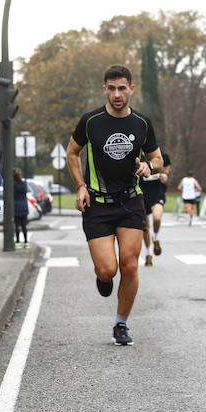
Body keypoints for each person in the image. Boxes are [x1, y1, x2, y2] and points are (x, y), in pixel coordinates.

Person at [66, 65, 161, 347]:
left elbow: (157, 159)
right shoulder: (91, 121)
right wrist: (81, 186)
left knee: (129, 266)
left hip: (131, 201)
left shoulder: (142, 123)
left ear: (132, 89)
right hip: (97, 203)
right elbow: (73, 152)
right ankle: (103, 277)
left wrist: (148, 166)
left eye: (122, 88)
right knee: (108, 269)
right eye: (112, 88)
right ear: (104, 89)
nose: (117, 94)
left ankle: (121, 324)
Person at [140, 148, 171, 266]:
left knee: (157, 217)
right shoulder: (136, 155)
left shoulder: (161, 154)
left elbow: (167, 165)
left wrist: (165, 174)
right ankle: (148, 253)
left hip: (157, 193)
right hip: (142, 195)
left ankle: (155, 237)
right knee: (145, 227)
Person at [13, 168, 29, 248]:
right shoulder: (24, 184)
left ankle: (18, 242)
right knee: (24, 225)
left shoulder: (13, 185)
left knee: (17, 225)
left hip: (16, 206)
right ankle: (26, 242)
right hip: (24, 206)